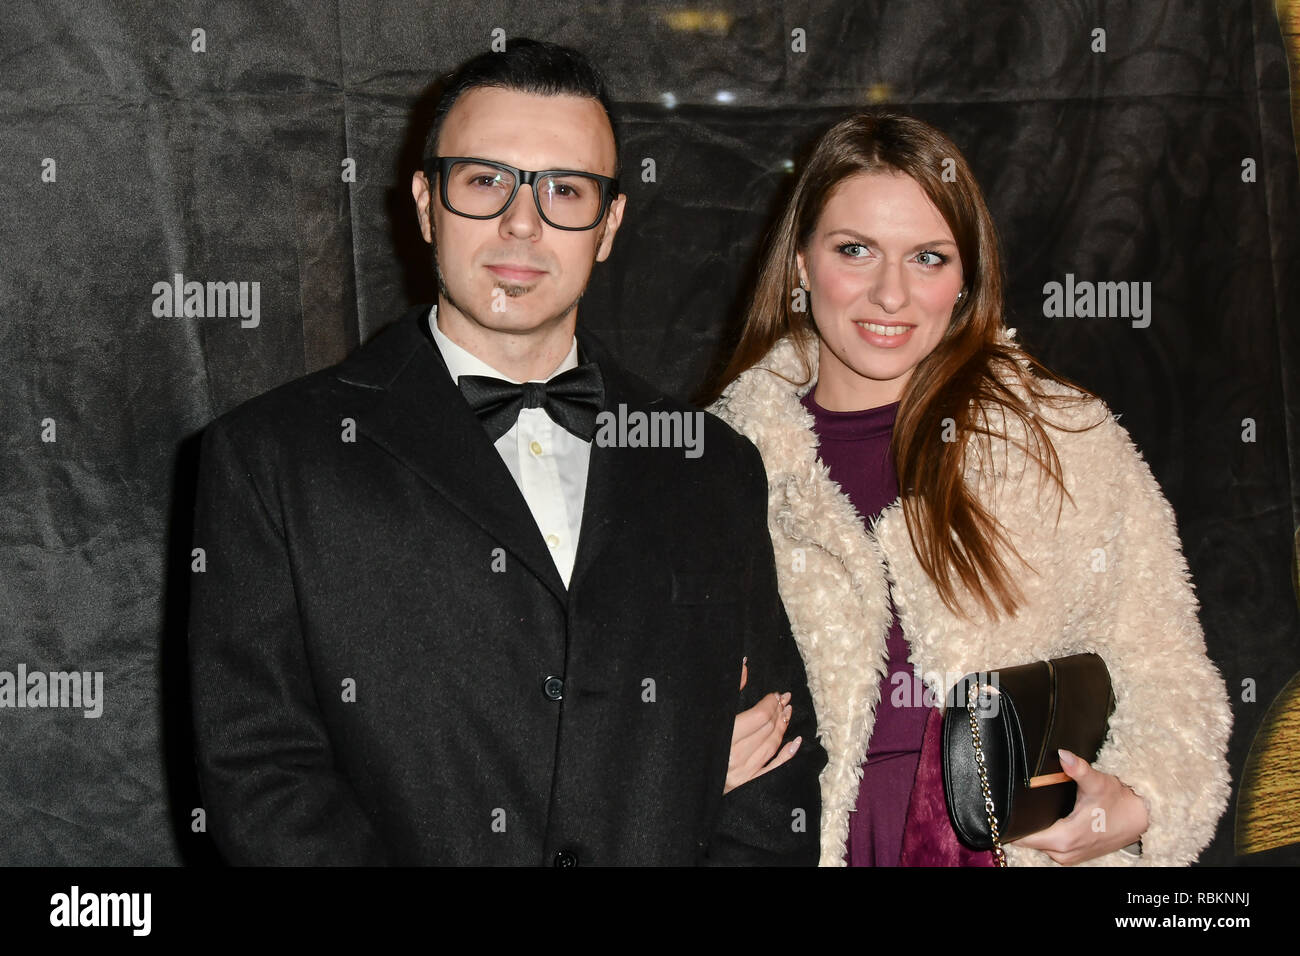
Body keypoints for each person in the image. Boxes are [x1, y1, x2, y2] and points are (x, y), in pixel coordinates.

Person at [187, 38, 824, 866]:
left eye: (565, 190)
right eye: (486, 181)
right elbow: (262, 783)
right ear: (426, 203)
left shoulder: (711, 463)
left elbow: (773, 783)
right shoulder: (271, 460)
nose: (522, 224)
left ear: (609, 224)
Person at [703, 111, 1233, 866]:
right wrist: (687, 765)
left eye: (927, 258)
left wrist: (1134, 801)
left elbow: (1171, 675)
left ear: (965, 278)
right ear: (799, 261)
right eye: (855, 250)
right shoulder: (713, 463)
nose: (892, 294)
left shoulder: (1063, 440)